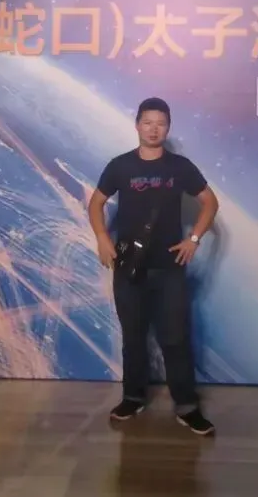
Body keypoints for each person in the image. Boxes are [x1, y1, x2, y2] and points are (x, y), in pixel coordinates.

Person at [87, 97, 219, 436]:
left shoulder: (180, 167)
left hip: (169, 268)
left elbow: (209, 202)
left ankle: (187, 406)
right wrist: (102, 237)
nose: (153, 129)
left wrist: (194, 239)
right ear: (137, 125)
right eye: (147, 122)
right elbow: (96, 203)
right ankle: (133, 398)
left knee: (175, 338)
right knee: (133, 338)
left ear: (168, 128)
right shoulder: (120, 166)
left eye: (160, 123)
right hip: (129, 268)